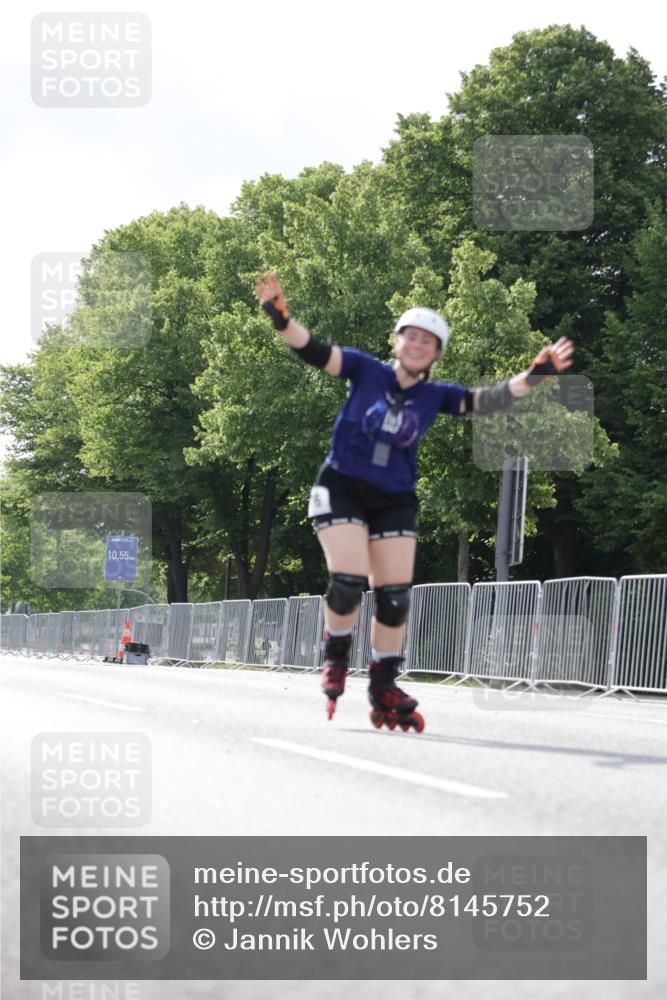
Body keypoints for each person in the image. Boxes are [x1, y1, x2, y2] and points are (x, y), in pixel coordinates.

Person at [254, 273, 574, 729]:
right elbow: (315, 350)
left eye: (429, 340)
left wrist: (535, 375)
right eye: (412, 336)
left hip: (394, 497)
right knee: (347, 582)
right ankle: (336, 654)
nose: (419, 344)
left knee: (395, 597)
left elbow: (487, 401)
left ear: (437, 353)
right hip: (343, 485)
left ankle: (383, 683)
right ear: (397, 341)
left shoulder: (434, 395)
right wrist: (281, 319)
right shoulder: (365, 370)